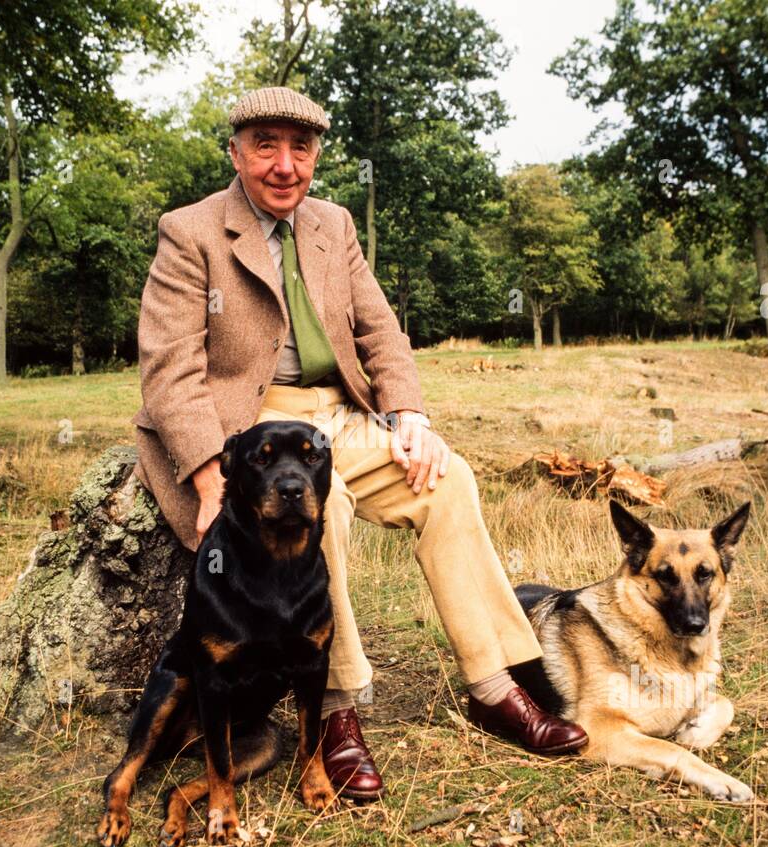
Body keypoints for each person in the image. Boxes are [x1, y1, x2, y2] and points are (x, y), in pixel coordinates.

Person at [131, 86, 587, 800]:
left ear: (315, 156)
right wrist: (208, 469)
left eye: (301, 148)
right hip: (248, 423)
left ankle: (494, 682)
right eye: (266, 146)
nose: (285, 165)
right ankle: (338, 708)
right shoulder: (190, 231)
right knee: (323, 505)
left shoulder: (333, 225)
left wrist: (410, 413)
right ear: (236, 152)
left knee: (450, 481)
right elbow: (168, 366)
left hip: (336, 414)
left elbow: (379, 328)